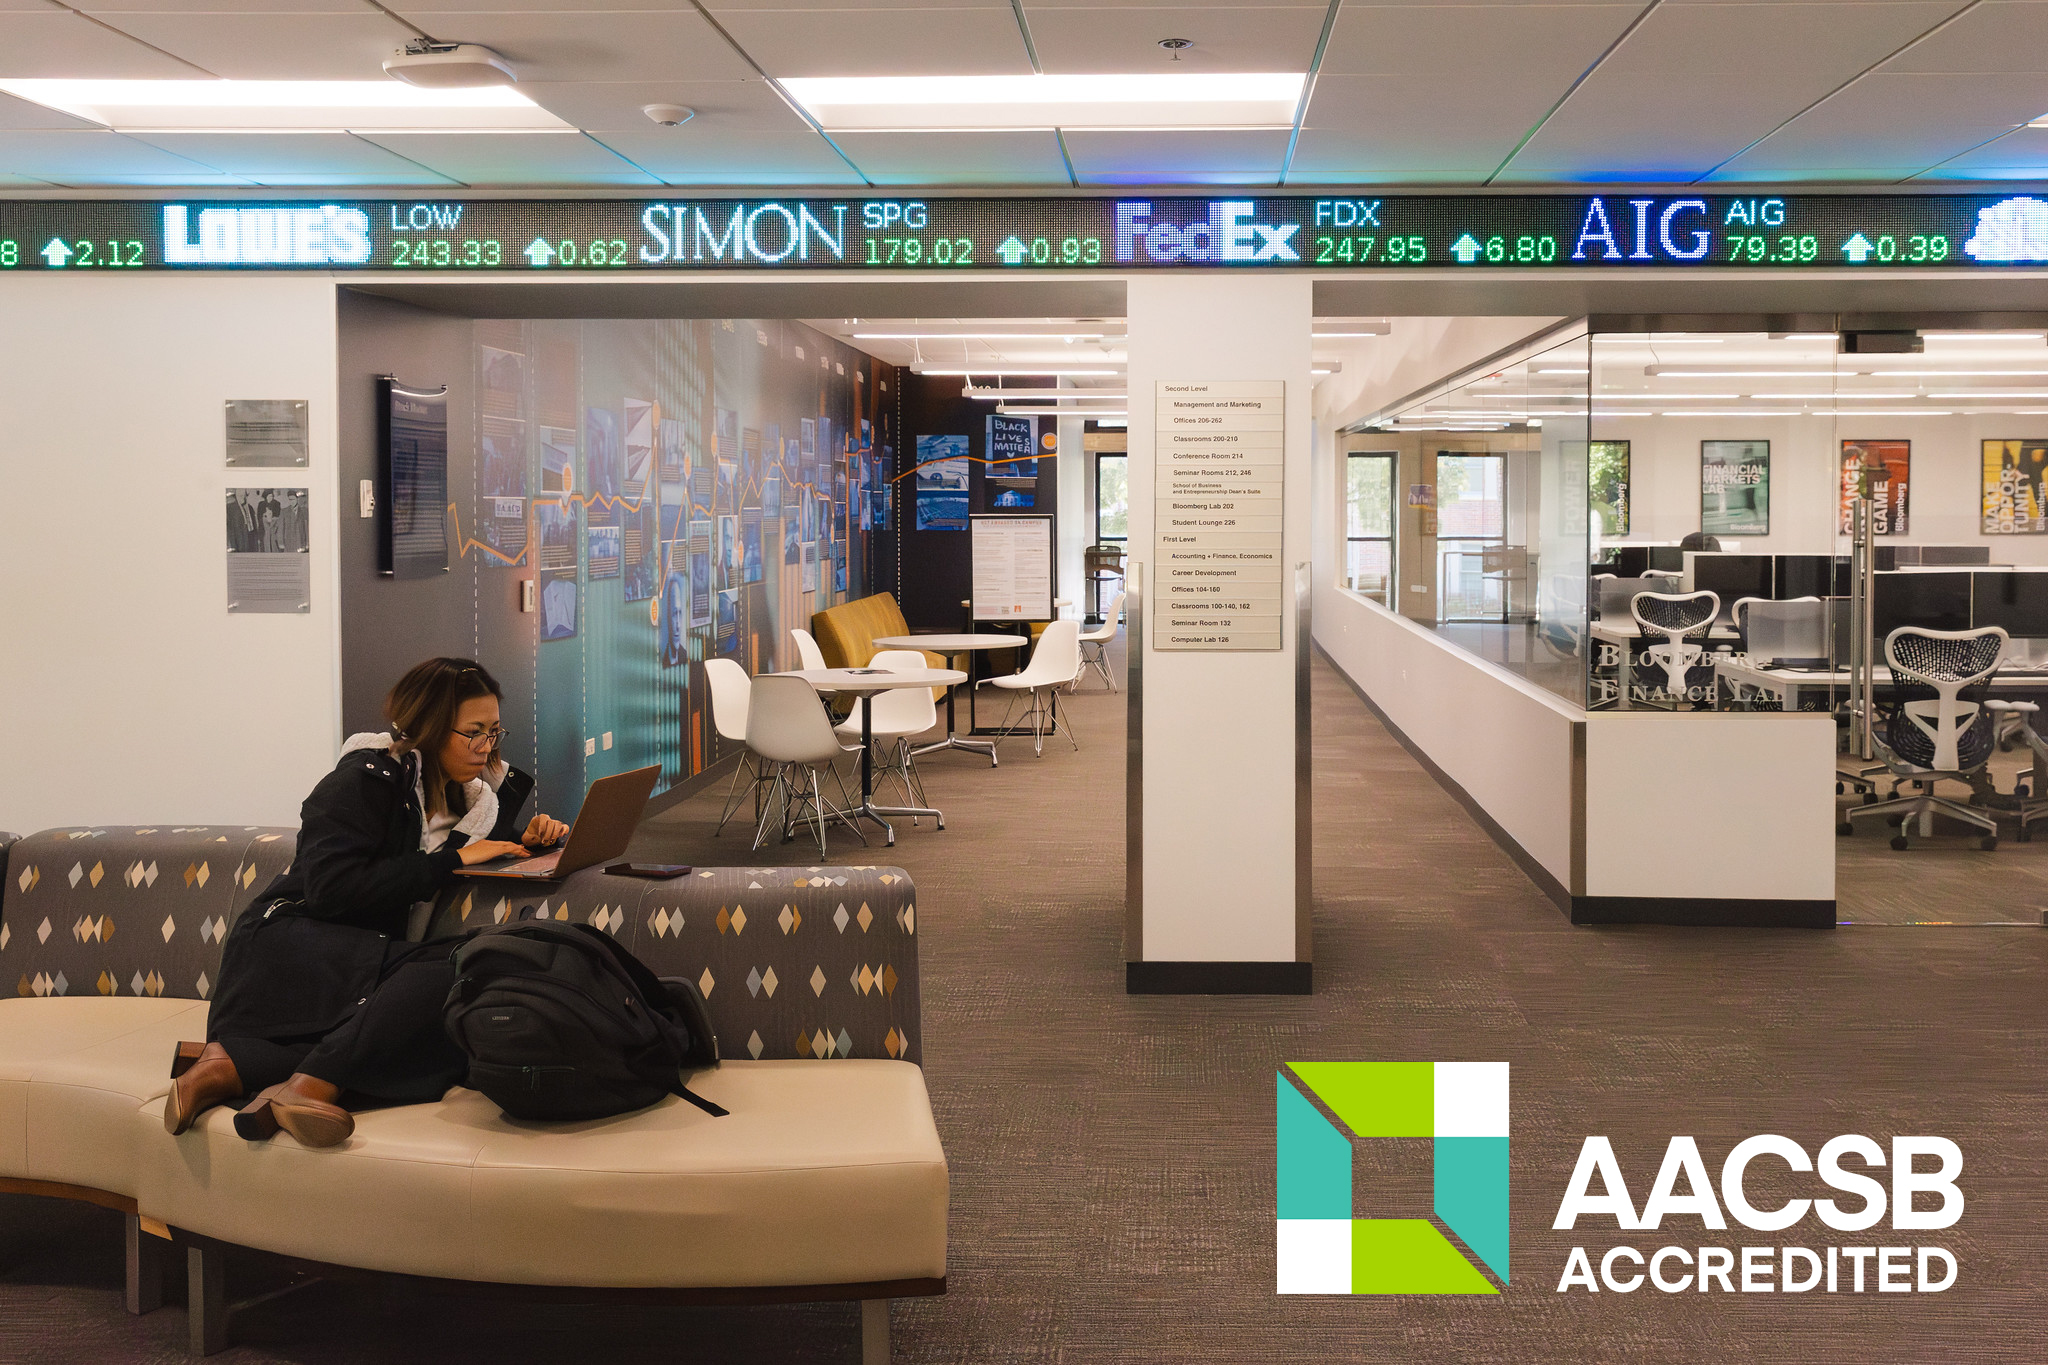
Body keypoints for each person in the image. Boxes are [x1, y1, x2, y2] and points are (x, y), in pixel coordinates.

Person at [164, 658, 568, 1148]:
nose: (487, 748)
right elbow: (330, 889)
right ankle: (307, 1082)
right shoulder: (363, 780)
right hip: (290, 946)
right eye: (473, 733)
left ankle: (231, 1066)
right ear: (430, 728)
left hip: (359, 954)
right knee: (468, 967)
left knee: (458, 1008)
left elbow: (464, 848)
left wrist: (531, 839)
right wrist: (451, 861)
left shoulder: (473, 804)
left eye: (495, 732)